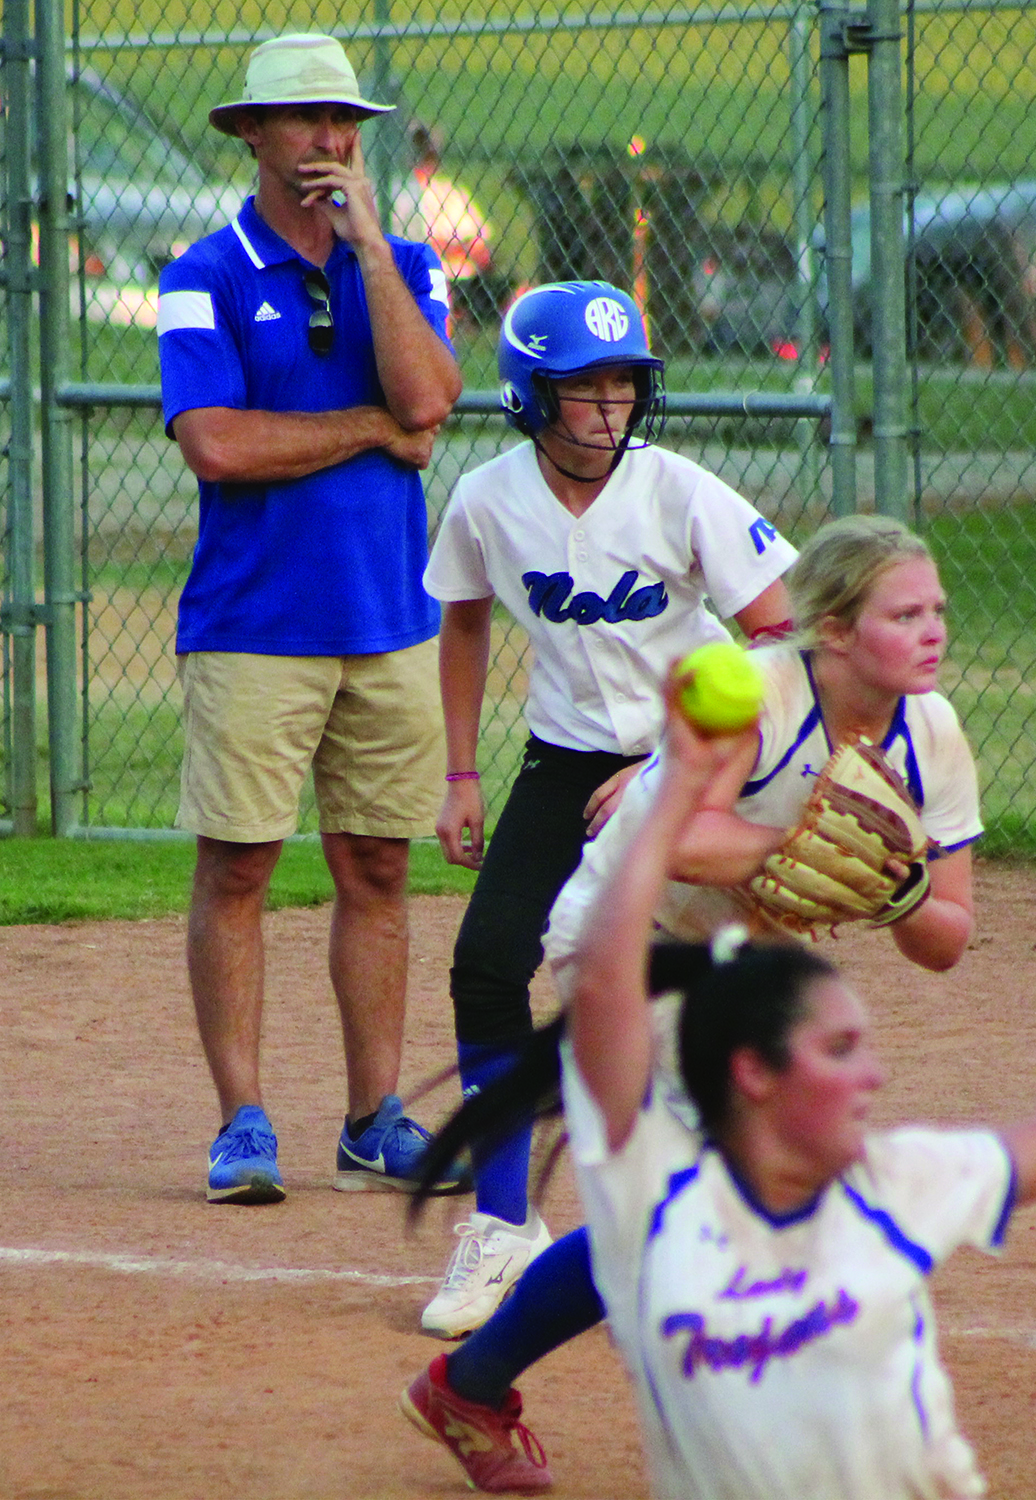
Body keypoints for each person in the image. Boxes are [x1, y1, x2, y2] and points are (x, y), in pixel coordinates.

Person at [406, 666, 1036, 1499]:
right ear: (753, 1074)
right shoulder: (715, 1189)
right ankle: (470, 1384)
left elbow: (1029, 1150)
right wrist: (681, 786)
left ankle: (469, 1384)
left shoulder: (885, 1180)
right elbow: (610, 968)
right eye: (840, 1050)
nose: (875, 1074)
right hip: (670, 961)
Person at [400, 515, 983, 1492]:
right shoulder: (758, 696)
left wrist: (901, 891)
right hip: (626, 938)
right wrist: (798, 842)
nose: (932, 631)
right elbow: (675, 841)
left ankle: (470, 1386)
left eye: (937, 611)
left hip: (743, 971)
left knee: (688, 1208)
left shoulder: (933, 735)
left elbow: (948, 936)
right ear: (835, 630)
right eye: (904, 613)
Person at [417, 280, 799, 1340]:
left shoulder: (677, 490)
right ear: (529, 397)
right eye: (583, 388)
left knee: (712, 992)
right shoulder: (487, 499)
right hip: (564, 764)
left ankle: (751, 1217)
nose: (608, 406)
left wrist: (669, 761)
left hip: (697, 761)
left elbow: (783, 633)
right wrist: (461, 774)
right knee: (487, 964)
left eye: (624, 384)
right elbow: (463, 622)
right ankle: (504, 1224)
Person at [155, 32, 467, 1206]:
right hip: (252, 623)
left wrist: (370, 247)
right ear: (252, 133)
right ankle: (242, 1122)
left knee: (377, 865)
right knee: (238, 866)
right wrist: (366, 429)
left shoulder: (409, 265)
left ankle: (372, 1118)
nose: (331, 139)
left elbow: (428, 400)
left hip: (388, 618)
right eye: (304, 118)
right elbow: (217, 443)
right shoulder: (204, 274)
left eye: (346, 120)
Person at [388, 118, 498, 331]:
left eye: (428, 153)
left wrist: (445, 246)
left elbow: (481, 250)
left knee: (520, 291)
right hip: (424, 278)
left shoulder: (450, 191)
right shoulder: (399, 192)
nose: (425, 160)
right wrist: (457, 247)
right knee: (440, 289)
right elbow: (416, 248)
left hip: (467, 280)